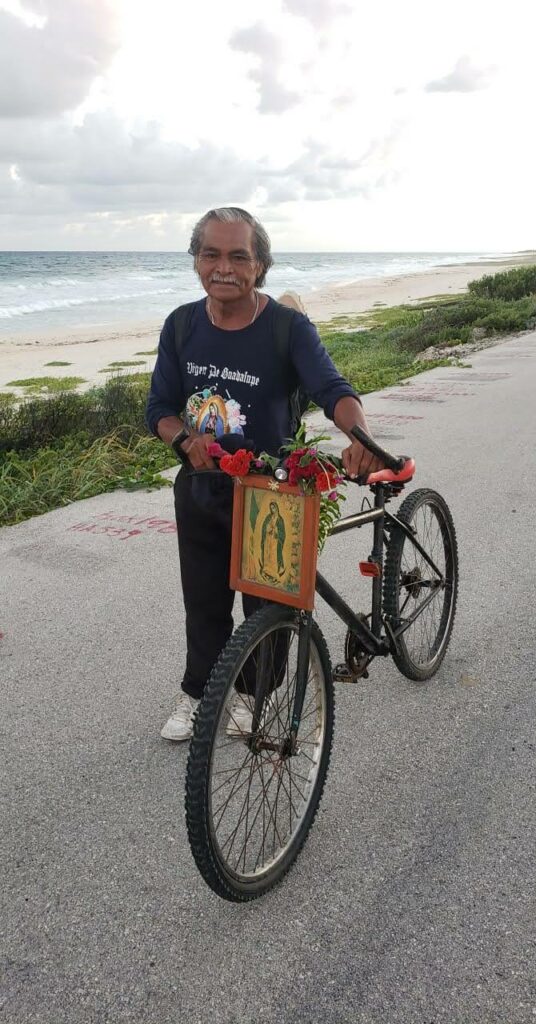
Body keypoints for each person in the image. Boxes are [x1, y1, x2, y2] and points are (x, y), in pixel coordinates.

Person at [146, 207, 388, 741]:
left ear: (260, 266)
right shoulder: (181, 325)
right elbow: (159, 407)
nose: (223, 267)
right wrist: (183, 439)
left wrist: (359, 437)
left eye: (239, 256)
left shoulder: (286, 327)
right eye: (211, 254)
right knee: (204, 601)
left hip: (271, 491)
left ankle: (254, 695)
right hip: (202, 487)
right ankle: (198, 692)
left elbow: (332, 389)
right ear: (196, 260)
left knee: (267, 606)